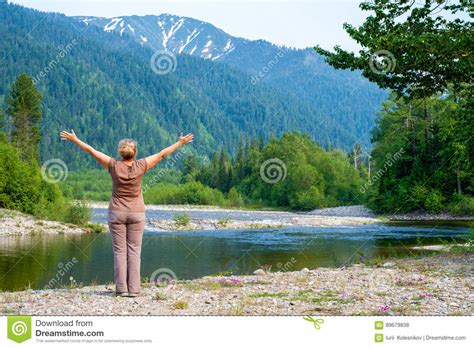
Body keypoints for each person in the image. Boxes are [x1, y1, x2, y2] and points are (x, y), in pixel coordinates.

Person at [60, 129, 194, 297]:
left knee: (119, 251)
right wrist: (180, 143)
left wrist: (75, 139)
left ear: (120, 153)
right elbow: (161, 155)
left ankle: (121, 289)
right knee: (134, 251)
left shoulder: (113, 165)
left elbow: (92, 151)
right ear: (135, 153)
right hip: (137, 214)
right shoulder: (141, 165)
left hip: (116, 213)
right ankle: (134, 290)